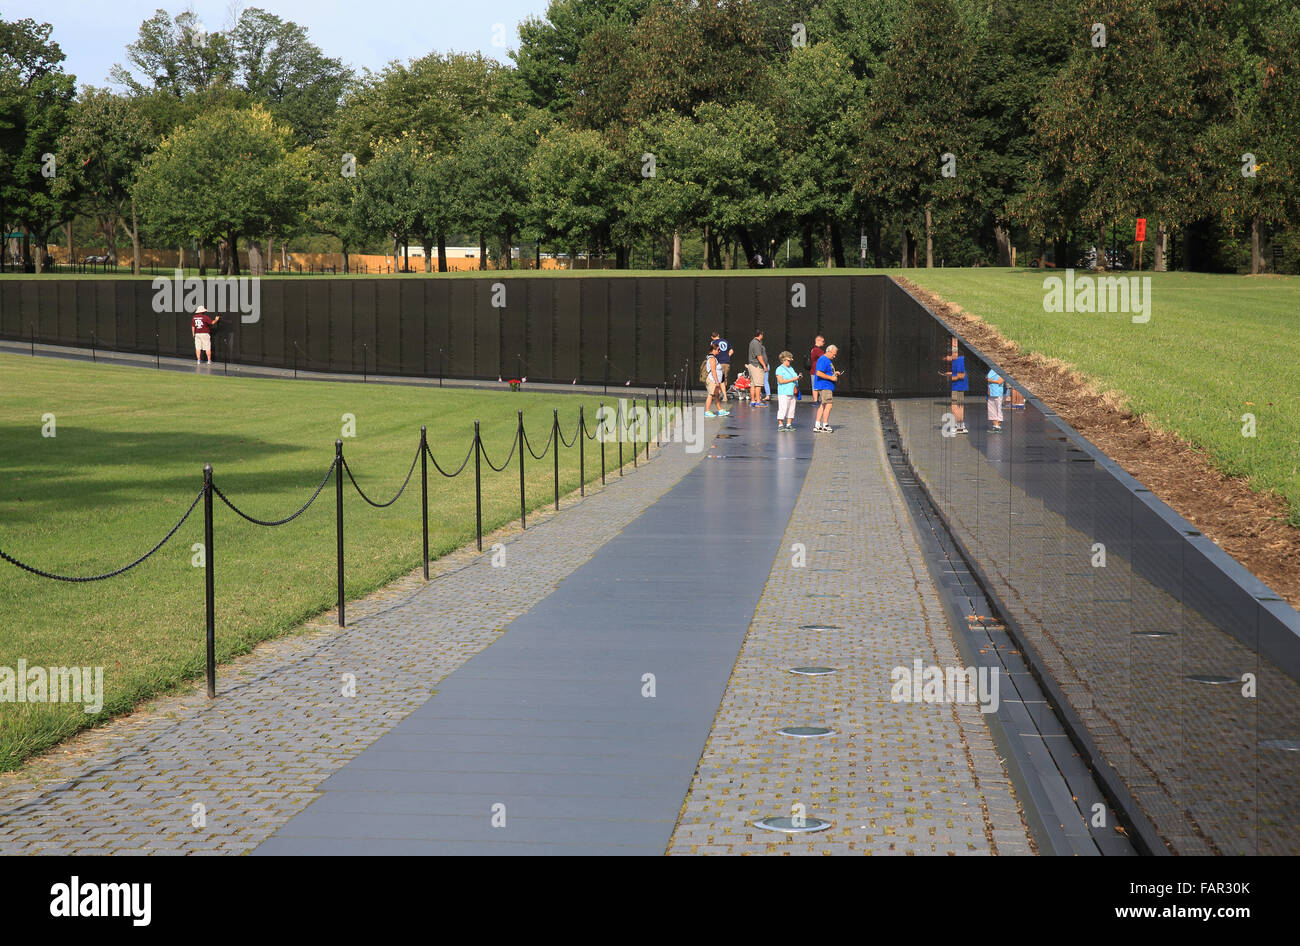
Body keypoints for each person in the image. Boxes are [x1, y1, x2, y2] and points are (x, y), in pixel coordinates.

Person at [942, 339, 968, 434]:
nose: (949, 356)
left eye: (952, 353)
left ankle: (958, 425)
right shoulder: (957, 360)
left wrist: (951, 376)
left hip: (958, 386)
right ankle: (960, 425)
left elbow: (961, 375)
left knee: (955, 405)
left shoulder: (960, 360)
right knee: (959, 405)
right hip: (958, 386)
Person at [813, 344, 841, 432]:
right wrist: (832, 378)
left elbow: (825, 372)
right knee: (829, 404)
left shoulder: (826, 360)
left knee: (823, 404)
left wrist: (834, 373)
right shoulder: (824, 359)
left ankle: (817, 425)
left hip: (825, 385)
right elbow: (819, 373)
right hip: (824, 386)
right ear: (828, 351)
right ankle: (825, 424)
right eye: (833, 354)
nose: (834, 356)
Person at [775, 352, 800, 430]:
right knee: (783, 408)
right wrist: (794, 379)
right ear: (783, 360)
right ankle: (780, 425)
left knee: (791, 408)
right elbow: (781, 381)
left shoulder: (791, 368)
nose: (790, 361)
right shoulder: (779, 369)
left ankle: (789, 424)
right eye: (789, 360)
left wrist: (798, 378)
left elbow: (794, 377)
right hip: (783, 392)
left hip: (792, 391)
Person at [703, 342, 729, 418]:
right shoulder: (712, 359)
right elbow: (713, 371)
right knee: (710, 395)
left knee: (716, 395)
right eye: (718, 349)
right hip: (712, 380)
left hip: (714, 380)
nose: (719, 351)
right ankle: (707, 411)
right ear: (714, 350)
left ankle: (720, 410)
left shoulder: (713, 358)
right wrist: (717, 381)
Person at [747, 330, 768, 407]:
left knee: (753, 384)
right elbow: (759, 356)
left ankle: (753, 401)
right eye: (762, 335)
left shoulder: (753, 342)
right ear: (760, 335)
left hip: (753, 365)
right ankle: (758, 401)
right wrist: (764, 366)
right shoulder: (756, 343)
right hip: (756, 366)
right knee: (758, 385)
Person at [712, 331, 732, 402]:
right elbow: (731, 351)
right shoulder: (725, 341)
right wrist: (726, 357)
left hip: (718, 363)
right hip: (726, 363)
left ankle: (720, 395)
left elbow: (713, 353)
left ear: (712, 337)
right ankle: (722, 395)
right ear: (718, 335)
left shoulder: (713, 343)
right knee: (724, 380)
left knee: (718, 380)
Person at [987, 366, 1006, 432]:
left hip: (998, 392)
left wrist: (990, 380)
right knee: (991, 409)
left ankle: (998, 425)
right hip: (991, 392)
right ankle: (995, 425)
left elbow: (1000, 381)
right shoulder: (992, 370)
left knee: (998, 408)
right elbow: (987, 379)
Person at [809, 335, 825, 404]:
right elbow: (825, 358)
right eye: (823, 341)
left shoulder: (813, 349)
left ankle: (816, 400)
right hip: (816, 371)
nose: (824, 343)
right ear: (818, 341)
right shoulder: (817, 350)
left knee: (816, 385)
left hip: (815, 370)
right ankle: (815, 400)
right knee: (816, 386)